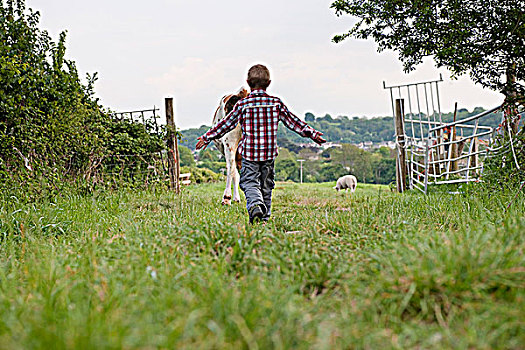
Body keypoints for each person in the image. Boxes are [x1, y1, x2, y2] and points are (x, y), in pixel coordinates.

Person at [196, 64, 326, 223]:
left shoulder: (242, 105)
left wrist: (207, 137)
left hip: (249, 156)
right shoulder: (275, 103)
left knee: (249, 183)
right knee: (266, 187)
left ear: (248, 83)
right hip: (269, 155)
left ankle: (255, 205)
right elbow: (293, 122)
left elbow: (226, 124)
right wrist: (312, 134)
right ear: (269, 83)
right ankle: (264, 219)